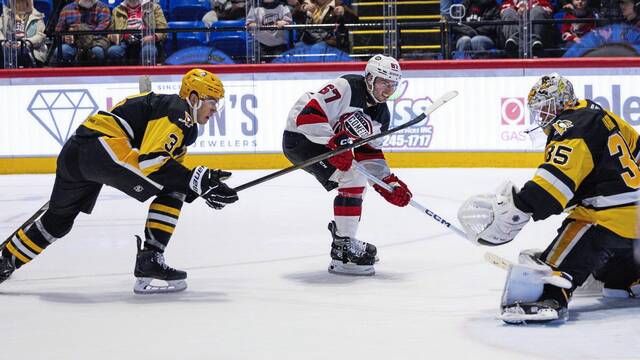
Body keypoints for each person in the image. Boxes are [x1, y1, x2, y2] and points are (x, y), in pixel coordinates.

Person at [0, 69, 239, 294]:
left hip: (76, 152)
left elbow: (173, 171)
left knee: (57, 222)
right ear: (194, 97)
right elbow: (153, 162)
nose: (215, 109)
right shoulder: (178, 110)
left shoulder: (174, 115)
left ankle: (5, 262)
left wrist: (201, 187)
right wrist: (195, 181)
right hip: (102, 149)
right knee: (174, 188)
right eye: (213, 101)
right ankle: (151, 259)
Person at [457, 73, 639, 324]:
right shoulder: (606, 117)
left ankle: (548, 297)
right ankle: (628, 277)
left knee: (551, 265)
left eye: (545, 108)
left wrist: (521, 206)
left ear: (562, 102)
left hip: (607, 218)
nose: (542, 117)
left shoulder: (569, 125)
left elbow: (554, 183)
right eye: (538, 111)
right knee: (613, 272)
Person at [282, 54, 413, 276]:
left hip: (330, 144)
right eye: (383, 82)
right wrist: (334, 143)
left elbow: (368, 152)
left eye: (393, 84)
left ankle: (344, 238)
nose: (388, 89)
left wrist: (388, 183)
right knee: (353, 176)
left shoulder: (381, 114)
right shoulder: (346, 86)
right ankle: (343, 250)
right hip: (301, 139)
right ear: (369, 78)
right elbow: (307, 117)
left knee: (356, 177)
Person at [107, 0, 168, 65]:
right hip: (124, 41)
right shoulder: (116, 10)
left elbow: (163, 29)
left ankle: (146, 74)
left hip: (147, 40)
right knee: (113, 51)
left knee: (148, 51)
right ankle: (123, 73)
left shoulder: (154, 8)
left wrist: (153, 37)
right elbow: (110, 32)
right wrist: (114, 36)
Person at [53, 0, 111, 65]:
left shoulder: (103, 8)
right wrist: (65, 37)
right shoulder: (67, 9)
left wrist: (77, 30)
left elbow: (100, 32)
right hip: (74, 44)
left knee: (97, 51)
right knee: (61, 51)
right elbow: (58, 31)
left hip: (96, 42)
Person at [292, 0, 358, 53]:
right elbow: (294, 15)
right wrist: (303, 8)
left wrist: (343, 11)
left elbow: (355, 21)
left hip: (330, 42)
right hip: (307, 41)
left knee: (317, 48)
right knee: (297, 48)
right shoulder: (308, 2)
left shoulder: (337, 4)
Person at [0, 0, 47, 67]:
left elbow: (41, 36)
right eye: (18, 3)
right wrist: (3, 42)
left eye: (23, 2)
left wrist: (25, 43)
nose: (21, 5)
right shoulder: (6, 15)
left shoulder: (37, 16)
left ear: (28, 3)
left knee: (21, 51)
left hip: (31, 50)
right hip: (8, 47)